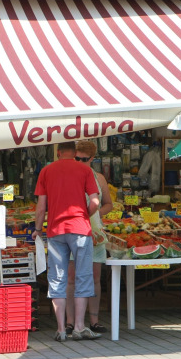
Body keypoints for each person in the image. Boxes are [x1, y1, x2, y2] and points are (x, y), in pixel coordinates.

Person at [34, 142, 101, 341]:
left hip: (55, 231)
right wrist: (84, 215)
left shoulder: (46, 171)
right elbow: (95, 201)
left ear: (58, 152)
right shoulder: (85, 170)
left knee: (57, 279)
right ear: (74, 153)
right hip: (81, 230)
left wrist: (38, 230)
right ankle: (80, 327)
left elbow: (41, 207)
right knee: (83, 276)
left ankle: (62, 329)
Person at [65, 139, 113, 334]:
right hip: (72, 231)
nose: (80, 162)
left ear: (92, 158)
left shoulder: (99, 178)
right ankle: (70, 321)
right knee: (71, 277)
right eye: (76, 158)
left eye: (84, 159)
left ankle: (94, 320)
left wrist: (95, 216)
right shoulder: (66, 176)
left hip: (95, 234)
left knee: (94, 277)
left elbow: (109, 204)